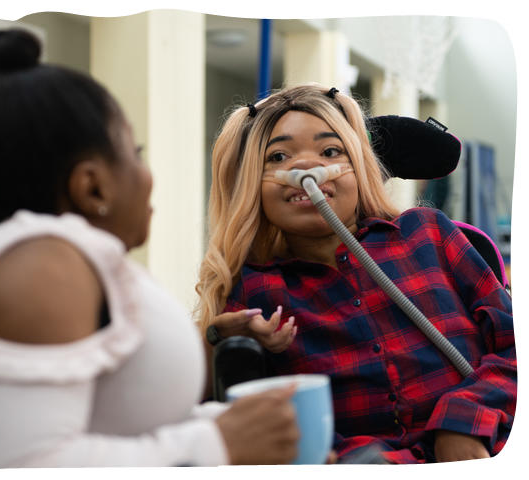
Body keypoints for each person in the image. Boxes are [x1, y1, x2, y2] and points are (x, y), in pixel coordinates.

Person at [0, 28, 302, 469]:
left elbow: (117, 414)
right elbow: (23, 465)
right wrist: (218, 443)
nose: (147, 172)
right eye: (135, 152)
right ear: (92, 185)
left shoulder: (78, 262)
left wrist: (227, 386)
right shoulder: (40, 268)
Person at [195, 83, 516, 464]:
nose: (305, 166)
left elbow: (514, 348)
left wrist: (462, 424)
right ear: (251, 185)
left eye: (330, 151)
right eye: (278, 156)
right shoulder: (254, 288)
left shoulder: (430, 235)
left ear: (360, 166)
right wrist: (218, 340)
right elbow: (231, 415)